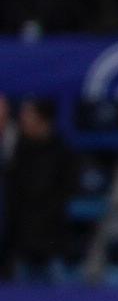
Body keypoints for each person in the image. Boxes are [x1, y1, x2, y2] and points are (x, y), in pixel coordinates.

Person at [3, 99, 73, 281]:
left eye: (28, 115)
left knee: (61, 300)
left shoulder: (62, 152)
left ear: (43, 120)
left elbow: (64, 194)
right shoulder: (17, 151)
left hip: (53, 243)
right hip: (21, 244)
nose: (23, 120)